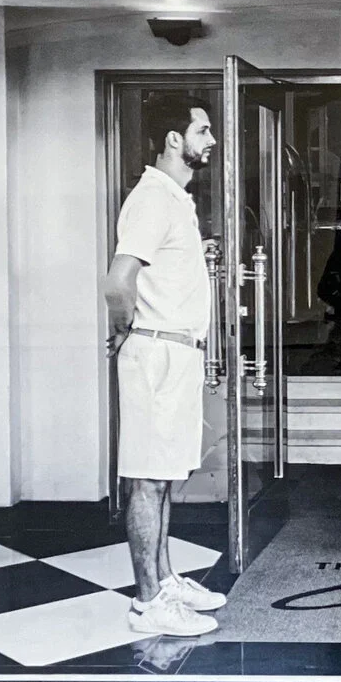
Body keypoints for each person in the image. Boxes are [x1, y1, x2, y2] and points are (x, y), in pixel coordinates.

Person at [104, 103, 231, 639]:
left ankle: (165, 580)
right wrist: (125, 331)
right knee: (147, 480)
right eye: (204, 130)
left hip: (174, 353)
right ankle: (147, 602)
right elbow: (118, 281)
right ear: (175, 139)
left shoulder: (173, 199)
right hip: (156, 353)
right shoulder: (153, 198)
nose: (212, 139)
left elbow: (159, 265)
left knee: (163, 475)